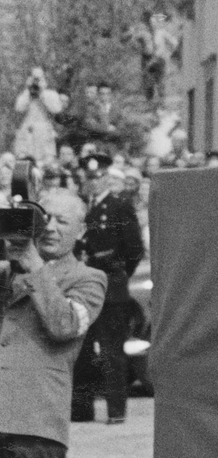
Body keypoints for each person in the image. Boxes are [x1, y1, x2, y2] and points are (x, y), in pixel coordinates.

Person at [0, 188, 107, 458]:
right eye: (48, 217)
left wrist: (33, 267)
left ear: (81, 232)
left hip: (34, 424)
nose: (53, 227)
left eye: (65, 221)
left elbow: (64, 325)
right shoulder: (6, 269)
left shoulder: (89, 278)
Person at [71, 152, 144, 424]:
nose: (94, 182)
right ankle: (81, 408)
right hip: (83, 286)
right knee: (83, 351)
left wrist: (119, 274)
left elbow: (134, 248)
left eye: (99, 177)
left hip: (110, 287)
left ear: (108, 177)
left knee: (112, 350)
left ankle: (115, 409)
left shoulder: (118, 207)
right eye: (89, 178)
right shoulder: (81, 208)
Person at [13, 70, 63, 165]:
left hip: (44, 129)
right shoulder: (26, 94)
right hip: (28, 130)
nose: (36, 82)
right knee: (25, 159)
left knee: (46, 160)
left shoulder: (51, 94)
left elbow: (56, 109)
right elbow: (19, 108)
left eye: (39, 79)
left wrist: (41, 94)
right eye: (34, 79)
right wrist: (29, 92)